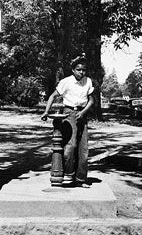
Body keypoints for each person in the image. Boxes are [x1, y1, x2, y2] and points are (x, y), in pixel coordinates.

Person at [41, 55, 94, 188]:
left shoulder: (88, 81)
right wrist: (46, 111)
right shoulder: (66, 82)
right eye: (78, 69)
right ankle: (67, 174)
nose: (81, 72)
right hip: (69, 113)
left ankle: (81, 179)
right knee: (70, 146)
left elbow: (91, 100)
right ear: (73, 70)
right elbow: (53, 96)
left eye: (83, 70)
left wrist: (83, 112)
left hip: (82, 114)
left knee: (83, 149)